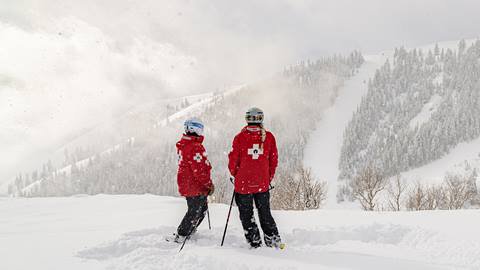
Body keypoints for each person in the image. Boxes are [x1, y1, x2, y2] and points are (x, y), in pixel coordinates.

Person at [228, 107, 282, 248]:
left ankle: (255, 242)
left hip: (243, 184)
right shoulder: (269, 137)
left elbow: (233, 161)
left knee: (247, 215)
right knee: (265, 213)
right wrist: (267, 178)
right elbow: (273, 160)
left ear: (247, 119)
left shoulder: (239, 138)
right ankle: (273, 240)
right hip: (262, 184)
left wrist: (236, 175)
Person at [170, 118, 214, 243]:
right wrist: (208, 184)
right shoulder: (195, 147)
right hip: (194, 184)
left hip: (186, 182)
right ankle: (183, 234)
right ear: (197, 129)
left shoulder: (184, 144)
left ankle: (188, 230)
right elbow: (200, 170)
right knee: (195, 211)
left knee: (200, 209)